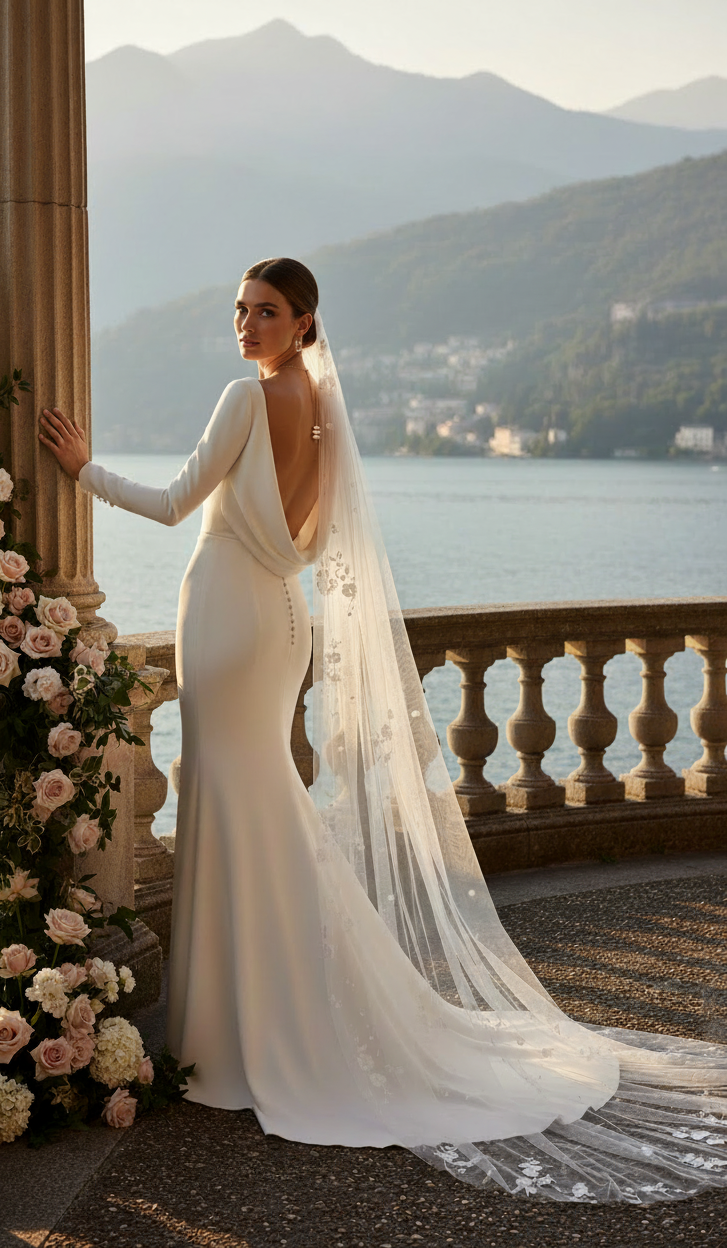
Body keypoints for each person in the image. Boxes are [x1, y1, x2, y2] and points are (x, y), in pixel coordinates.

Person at [39, 257, 727, 1206]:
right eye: (239, 309)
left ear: (303, 320)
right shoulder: (321, 407)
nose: (245, 324)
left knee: (230, 800)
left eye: (265, 311)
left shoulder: (248, 395)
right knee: (257, 800)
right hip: (280, 621)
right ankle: (260, 1019)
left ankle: (234, 1037)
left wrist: (82, 470)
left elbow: (170, 506)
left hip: (229, 617)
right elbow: (315, 540)